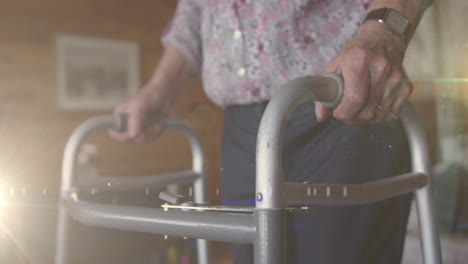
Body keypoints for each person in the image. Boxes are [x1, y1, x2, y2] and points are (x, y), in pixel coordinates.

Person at [110, 0, 434, 263]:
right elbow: (194, 11)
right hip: (241, 130)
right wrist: (158, 92)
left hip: (342, 108)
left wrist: (382, 33)